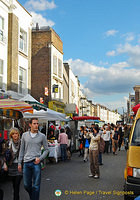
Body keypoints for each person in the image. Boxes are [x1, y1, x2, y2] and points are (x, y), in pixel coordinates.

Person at [18, 118, 49, 200]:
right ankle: (33, 197)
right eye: (34, 123)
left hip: (36, 163)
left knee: (36, 186)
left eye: (37, 123)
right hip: (26, 162)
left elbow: (46, 150)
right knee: (26, 185)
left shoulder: (42, 136)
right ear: (30, 125)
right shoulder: (24, 135)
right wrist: (19, 163)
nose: (36, 125)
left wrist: (40, 158)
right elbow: (21, 150)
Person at [6, 128, 22, 200]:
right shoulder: (8, 143)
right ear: (11, 135)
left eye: (16, 133)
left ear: (18, 134)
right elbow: (4, 155)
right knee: (13, 185)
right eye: (13, 134)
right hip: (11, 166)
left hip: (19, 166)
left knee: (17, 185)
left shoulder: (22, 142)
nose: (15, 135)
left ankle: (16, 198)